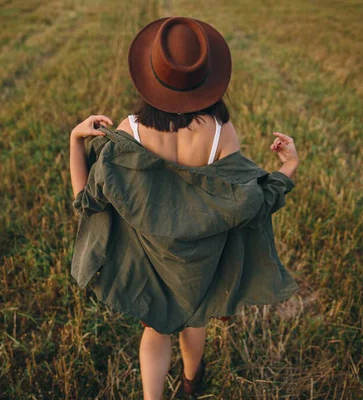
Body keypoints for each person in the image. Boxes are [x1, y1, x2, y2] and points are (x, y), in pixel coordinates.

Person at [69, 16, 300, 400]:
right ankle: (192, 386)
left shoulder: (129, 133)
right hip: (202, 264)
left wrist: (76, 141)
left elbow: (86, 201)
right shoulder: (221, 133)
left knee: (155, 330)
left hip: (149, 262)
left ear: (150, 77)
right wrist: (288, 167)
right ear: (207, 80)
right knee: (195, 322)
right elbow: (254, 200)